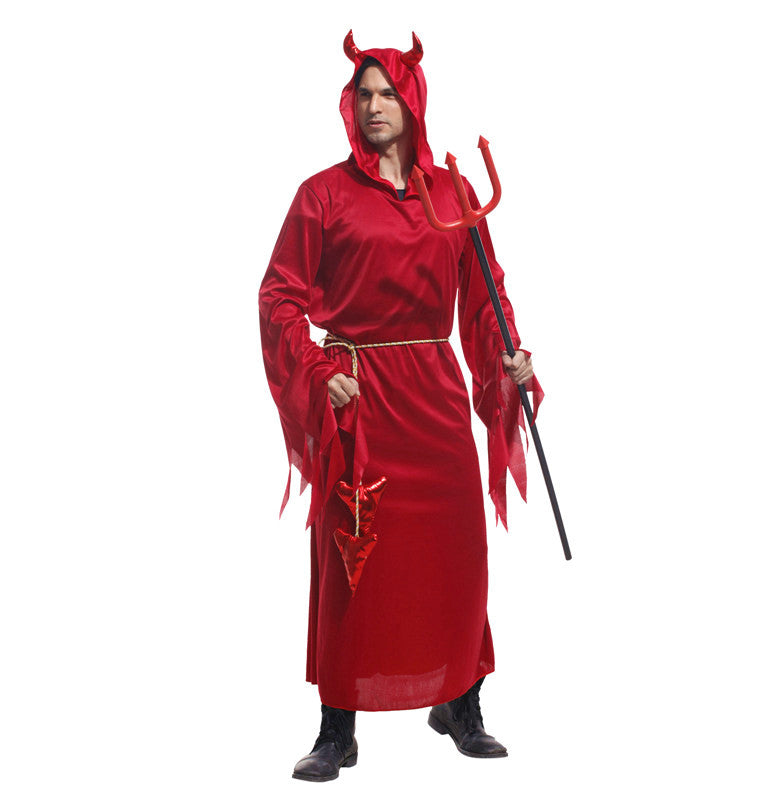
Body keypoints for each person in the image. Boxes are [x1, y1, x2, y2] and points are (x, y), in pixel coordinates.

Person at [258, 31, 544, 782]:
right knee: (351, 562)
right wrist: (317, 368)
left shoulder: (452, 195)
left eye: (388, 93)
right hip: (358, 396)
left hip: (434, 398)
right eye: (363, 94)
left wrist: (509, 355)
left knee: (456, 554)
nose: (374, 105)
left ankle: (460, 703)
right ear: (349, 105)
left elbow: (485, 294)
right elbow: (279, 296)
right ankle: (337, 728)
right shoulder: (322, 195)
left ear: (412, 102)